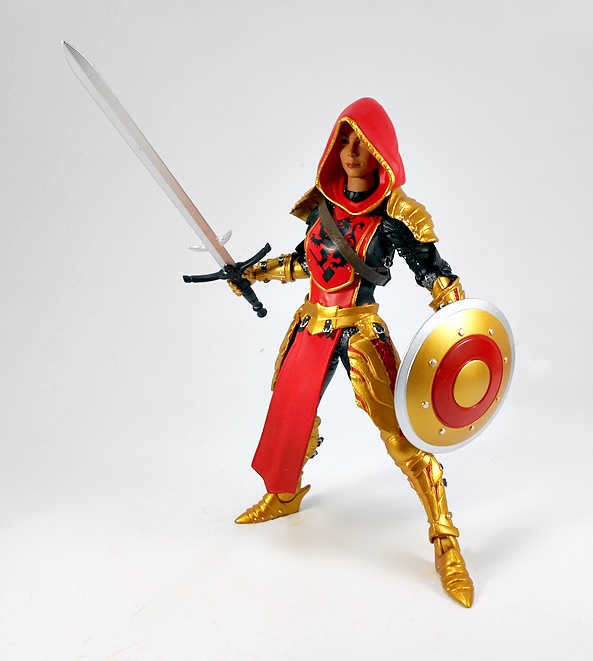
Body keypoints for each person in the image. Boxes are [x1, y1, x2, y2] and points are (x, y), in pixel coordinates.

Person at [231, 98, 473, 608]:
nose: (352, 151)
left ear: (381, 151)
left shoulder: (395, 215)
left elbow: (433, 272)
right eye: (344, 140)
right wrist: (253, 272)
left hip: (360, 332)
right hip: (311, 324)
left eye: (362, 142)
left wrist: (454, 312)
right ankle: (284, 493)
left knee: (401, 434)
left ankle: (445, 538)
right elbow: (308, 262)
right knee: (290, 414)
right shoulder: (323, 206)